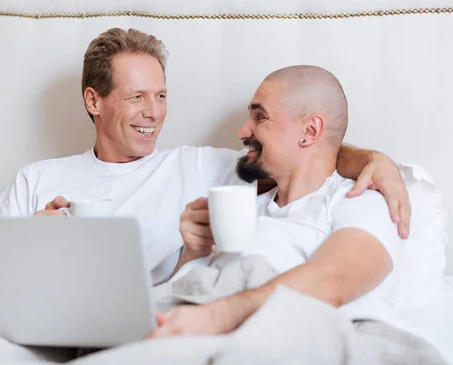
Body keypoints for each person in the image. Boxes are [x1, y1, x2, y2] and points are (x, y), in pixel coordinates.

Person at [0, 29, 410, 286]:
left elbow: (299, 154)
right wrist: (30, 238)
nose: (154, 112)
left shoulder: (201, 168)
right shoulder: (38, 179)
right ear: (94, 101)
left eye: (161, 95)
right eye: (136, 96)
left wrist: (373, 160)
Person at [151, 65, 422, 337]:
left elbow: (333, 279)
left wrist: (218, 316)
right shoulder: (245, 206)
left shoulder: (360, 201)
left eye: (260, 116)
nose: (243, 132)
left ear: (310, 131)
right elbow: (185, 296)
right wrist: (193, 254)